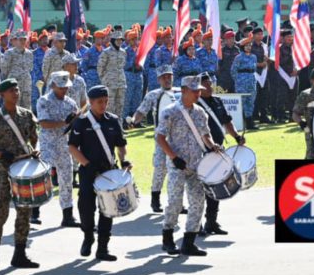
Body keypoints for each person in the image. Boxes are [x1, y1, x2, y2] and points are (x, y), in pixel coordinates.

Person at [0, 79, 40, 270]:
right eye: (12, 91)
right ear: (2, 95)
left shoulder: (27, 115)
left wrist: (35, 151)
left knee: (24, 210)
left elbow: (35, 139)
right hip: (3, 171)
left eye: (17, 89)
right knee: (1, 210)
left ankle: (19, 254)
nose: (16, 93)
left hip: (24, 170)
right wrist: (0, 154)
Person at [157, 75, 221, 256]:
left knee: (197, 203)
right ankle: (167, 239)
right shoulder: (170, 111)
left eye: (199, 90)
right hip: (177, 165)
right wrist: (173, 157)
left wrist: (212, 145)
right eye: (194, 91)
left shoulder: (200, 112)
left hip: (196, 165)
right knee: (175, 203)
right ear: (183, 90)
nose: (198, 93)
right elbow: (160, 137)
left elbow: (205, 135)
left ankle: (189, 242)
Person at [68, 85, 130, 261]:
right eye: (99, 102)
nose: (103, 105)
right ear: (91, 102)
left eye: (106, 101)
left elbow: (121, 144)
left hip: (108, 170)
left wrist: (124, 160)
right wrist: (86, 164)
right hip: (88, 170)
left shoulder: (113, 120)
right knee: (86, 206)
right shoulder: (82, 121)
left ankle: (103, 247)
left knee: (108, 209)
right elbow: (72, 146)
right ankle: (88, 236)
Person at [197, 72, 245, 235]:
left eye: (210, 83)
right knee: (200, 189)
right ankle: (197, 225)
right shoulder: (196, 104)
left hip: (217, 149)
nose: (209, 86)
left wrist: (237, 136)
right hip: (201, 151)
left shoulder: (217, 101)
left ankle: (211, 222)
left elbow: (226, 121)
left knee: (215, 186)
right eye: (205, 84)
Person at [34, 71, 81, 227]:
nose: (64, 90)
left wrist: (76, 121)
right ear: (53, 85)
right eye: (61, 87)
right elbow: (44, 123)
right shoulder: (44, 101)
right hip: (47, 144)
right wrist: (64, 122)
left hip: (64, 146)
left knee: (66, 180)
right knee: (42, 178)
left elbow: (76, 125)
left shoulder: (71, 103)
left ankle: (67, 215)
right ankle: (34, 212)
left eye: (66, 87)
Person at [131, 65, 177, 213]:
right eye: (164, 77)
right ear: (158, 79)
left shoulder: (180, 93)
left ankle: (177, 202)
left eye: (169, 76)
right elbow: (141, 111)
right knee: (160, 168)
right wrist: (133, 121)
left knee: (178, 171)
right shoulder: (153, 95)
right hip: (161, 138)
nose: (167, 79)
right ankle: (155, 199)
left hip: (179, 138)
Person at [0, 30, 34, 109]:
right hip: (13, 84)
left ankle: (26, 121)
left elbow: (30, 68)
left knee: (26, 106)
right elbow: (4, 70)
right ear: (15, 40)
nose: (22, 41)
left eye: (24, 39)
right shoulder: (9, 53)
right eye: (20, 39)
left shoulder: (29, 53)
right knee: (13, 105)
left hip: (26, 83)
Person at [231, 37, 258, 130]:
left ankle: (250, 122)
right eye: (246, 45)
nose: (249, 47)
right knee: (242, 101)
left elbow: (255, 69)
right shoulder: (238, 57)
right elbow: (233, 71)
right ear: (242, 47)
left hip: (251, 80)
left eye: (250, 45)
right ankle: (240, 122)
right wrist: (238, 81)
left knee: (250, 101)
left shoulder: (254, 57)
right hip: (241, 81)